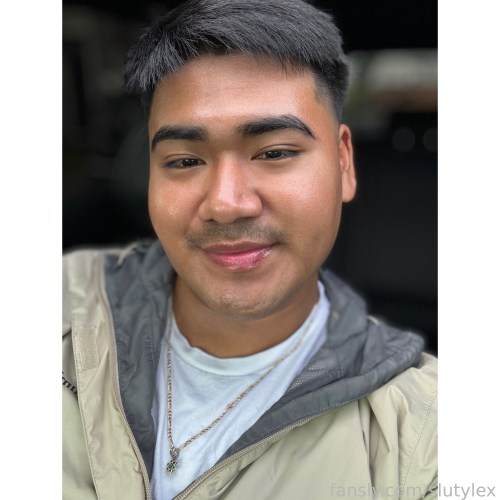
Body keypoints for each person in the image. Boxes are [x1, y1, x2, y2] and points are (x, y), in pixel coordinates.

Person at [62, 0, 437, 498]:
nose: (226, 204)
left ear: (343, 163)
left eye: (275, 152)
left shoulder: (426, 432)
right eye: (184, 161)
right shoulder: (62, 308)